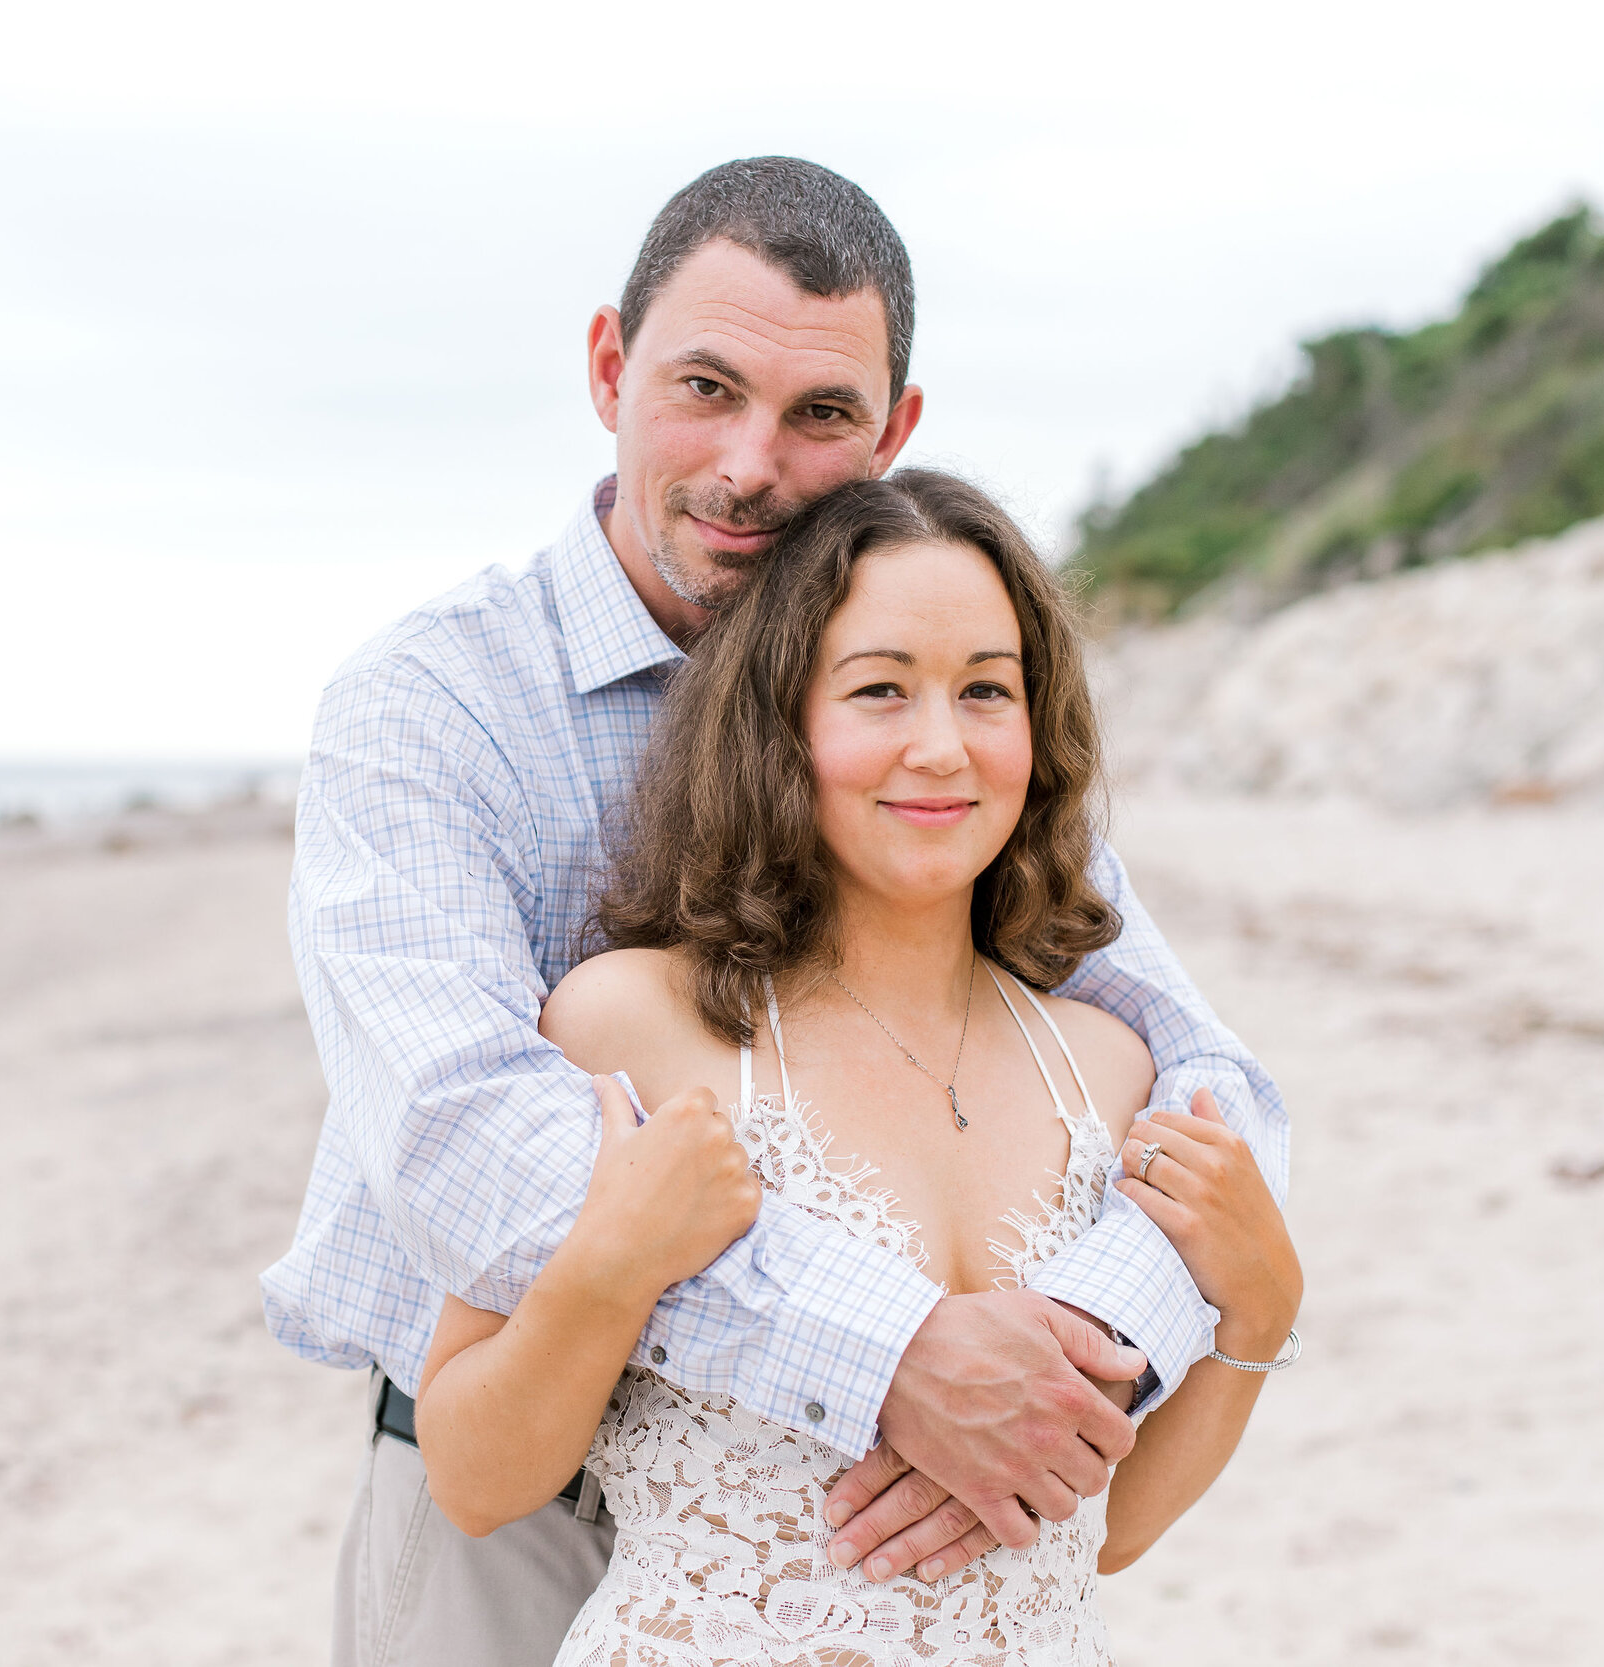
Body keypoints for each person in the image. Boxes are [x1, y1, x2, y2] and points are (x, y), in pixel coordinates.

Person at [261, 156, 1290, 1665]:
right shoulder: (435, 705)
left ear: (894, 430)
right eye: (703, 387)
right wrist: (893, 1348)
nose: (751, 463)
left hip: (949, 1479)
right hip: (509, 1478)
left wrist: (1095, 1340)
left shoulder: (939, 746)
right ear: (610, 366)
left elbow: (1212, 1087)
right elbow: (471, 1146)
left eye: (820, 415)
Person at [411, 469, 1302, 1662]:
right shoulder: (633, 1023)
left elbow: (1095, 1531)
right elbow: (473, 1479)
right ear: (781, 720)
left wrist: (1260, 1309)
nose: (940, 747)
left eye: (986, 690)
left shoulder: (1104, 1066)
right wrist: (609, 1266)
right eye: (880, 689)